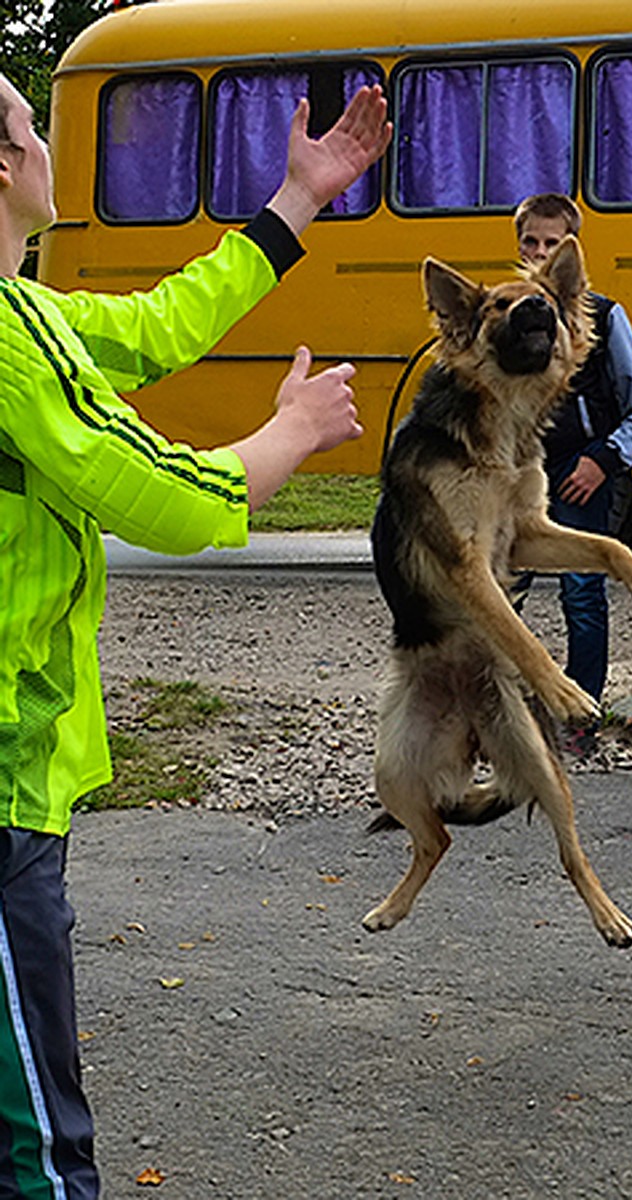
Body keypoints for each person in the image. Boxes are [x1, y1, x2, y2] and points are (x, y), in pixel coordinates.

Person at [0, 73, 388, 1197]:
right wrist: (290, 431)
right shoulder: (14, 347)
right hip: (3, 794)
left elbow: (156, 326)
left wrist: (299, 200)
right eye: (32, 125)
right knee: (39, 1144)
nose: (45, 142)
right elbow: (162, 495)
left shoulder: (34, 316)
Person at [511, 193, 632, 739]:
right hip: (517, 476)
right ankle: (496, 712)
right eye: (531, 241)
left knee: (581, 589)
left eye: (553, 244)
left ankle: (581, 714)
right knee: (504, 593)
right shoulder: (506, 312)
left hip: (581, 475)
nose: (540, 253)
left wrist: (604, 458)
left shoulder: (603, 316)